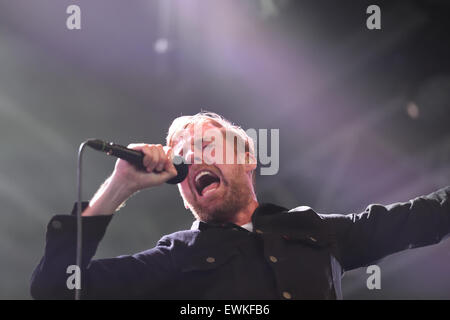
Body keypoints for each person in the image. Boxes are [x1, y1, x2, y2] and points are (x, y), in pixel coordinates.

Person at [30, 111, 450, 299]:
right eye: (183, 157)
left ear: (247, 157)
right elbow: (57, 288)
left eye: (206, 144)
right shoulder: (175, 258)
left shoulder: (317, 231)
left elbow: (426, 218)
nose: (194, 159)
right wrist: (119, 186)